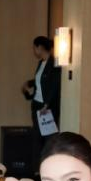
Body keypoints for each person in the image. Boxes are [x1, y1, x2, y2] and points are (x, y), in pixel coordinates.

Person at [22, 35, 61, 169]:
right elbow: (40, 81)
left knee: (49, 138)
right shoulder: (41, 63)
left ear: (40, 47)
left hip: (47, 107)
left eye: (34, 48)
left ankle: (48, 167)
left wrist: (47, 104)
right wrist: (29, 84)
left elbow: (55, 86)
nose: (33, 51)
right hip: (37, 105)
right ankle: (36, 169)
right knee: (37, 138)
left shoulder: (54, 63)